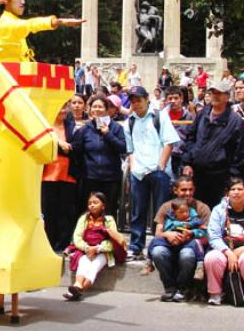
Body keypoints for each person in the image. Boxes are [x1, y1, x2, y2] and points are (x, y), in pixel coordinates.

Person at [123, 85, 180, 260]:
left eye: (139, 100)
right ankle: (136, 245)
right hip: (139, 172)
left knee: (161, 210)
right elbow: (130, 149)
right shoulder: (129, 122)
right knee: (138, 211)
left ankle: (160, 244)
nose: (136, 104)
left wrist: (161, 166)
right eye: (133, 101)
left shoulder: (159, 116)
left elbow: (169, 142)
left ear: (147, 99)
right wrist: (133, 167)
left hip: (158, 171)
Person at [182, 79, 244, 209]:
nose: (215, 96)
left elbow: (239, 153)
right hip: (197, 175)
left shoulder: (235, 121)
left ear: (227, 96)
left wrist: (231, 180)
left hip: (220, 178)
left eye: (219, 93)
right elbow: (190, 138)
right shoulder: (201, 115)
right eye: (213, 92)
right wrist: (187, 163)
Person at [204, 177, 244, 308]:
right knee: (212, 258)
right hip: (225, 248)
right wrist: (228, 253)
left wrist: (243, 250)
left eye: (240, 189)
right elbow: (213, 236)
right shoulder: (218, 209)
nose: (236, 192)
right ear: (227, 193)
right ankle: (215, 294)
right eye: (233, 189)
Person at [148, 176, 211, 300]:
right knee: (157, 251)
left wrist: (190, 235)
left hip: (191, 246)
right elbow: (158, 233)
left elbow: (207, 236)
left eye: (190, 190)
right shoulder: (166, 207)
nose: (187, 193)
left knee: (187, 254)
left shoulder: (202, 208)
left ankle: (183, 290)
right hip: (169, 244)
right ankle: (170, 289)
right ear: (175, 190)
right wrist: (168, 235)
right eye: (183, 190)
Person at [71, 93, 126, 217]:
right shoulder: (84, 129)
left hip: (111, 178)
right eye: (94, 106)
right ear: (90, 109)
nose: (97, 109)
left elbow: (123, 148)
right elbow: (76, 151)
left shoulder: (116, 128)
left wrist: (108, 134)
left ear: (106, 109)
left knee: (109, 212)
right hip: (90, 178)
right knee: (88, 212)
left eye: (100, 107)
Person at [63, 192, 126, 300]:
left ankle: (77, 290)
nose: (91, 205)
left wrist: (98, 248)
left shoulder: (109, 219)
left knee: (94, 267)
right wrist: (86, 248)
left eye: (95, 202)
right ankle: (77, 285)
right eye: (90, 203)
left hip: (104, 252)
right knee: (83, 263)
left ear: (103, 206)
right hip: (85, 250)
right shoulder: (84, 218)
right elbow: (77, 237)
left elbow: (114, 239)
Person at [144, 198, 207, 286]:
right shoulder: (170, 220)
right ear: (174, 213)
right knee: (155, 242)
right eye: (181, 212)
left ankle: (200, 267)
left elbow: (203, 232)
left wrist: (192, 233)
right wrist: (169, 235)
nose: (185, 214)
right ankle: (149, 263)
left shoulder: (194, 220)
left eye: (187, 211)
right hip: (171, 243)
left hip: (187, 243)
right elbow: (160, 233)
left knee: (196, 243)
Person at [42, 104, 78, 253]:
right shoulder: (45, 126)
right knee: (49, 212)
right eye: (60, 107)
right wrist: (59, 144)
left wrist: (66, 147)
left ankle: (62, 244)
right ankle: (48, 243)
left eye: (65, 107)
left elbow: (77, 146)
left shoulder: (72, 126)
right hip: (48, 175)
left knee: (65, 212)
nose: (62, 111)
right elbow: (43, 145)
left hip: (68, 175)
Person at [164, 85, 194, 179]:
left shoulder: (189, 117)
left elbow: (192, 138)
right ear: (166, 100)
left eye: (176, 98)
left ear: (181, 99)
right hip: (166, 157)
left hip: (182, 157)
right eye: (170, 98)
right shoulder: (161, 117)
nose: (173, 101)